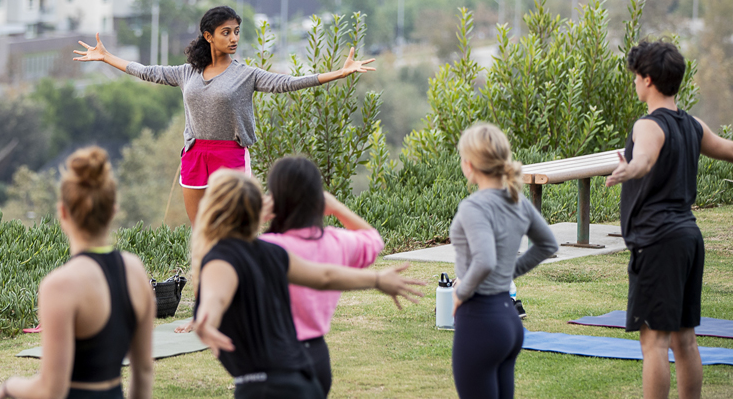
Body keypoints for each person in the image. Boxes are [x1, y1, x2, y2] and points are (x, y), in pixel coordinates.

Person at [604, 41, 733, 398]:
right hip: (687, 238)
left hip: (659, 241)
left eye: (636, 77)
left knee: (654, 342)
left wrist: (628, 169)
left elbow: (646, 160)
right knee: (684, 339)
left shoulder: (648, 126)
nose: (635, 83)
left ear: (647, 79)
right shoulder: (692, 124)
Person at [72, 5, 375, 224]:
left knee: (237, 227)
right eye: (226, 32)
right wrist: (106, 57)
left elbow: (288, 83)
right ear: (208, 36)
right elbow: (148, 71)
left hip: (230, 154)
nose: (233, 38)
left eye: (236, 32)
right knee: (201, 228)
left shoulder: (246, 75)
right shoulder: (187, 72)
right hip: (195, 154)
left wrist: (338, 73)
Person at [189, 169, 425, 399]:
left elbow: (215, 296)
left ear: (209, 210)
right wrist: (377, 279)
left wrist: (207, 319)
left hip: (265, 390)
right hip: (303, 383)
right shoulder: (272, 252)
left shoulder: (222, 259)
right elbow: (325, 277)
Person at [0, 147, 156, 399]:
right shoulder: (135, 270)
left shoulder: (60, 285)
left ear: (62, 212)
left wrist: (9, 386)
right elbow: (144, 371)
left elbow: (51, 391)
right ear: (113, 210)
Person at [449, 123, 559, 399]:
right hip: (508, 321)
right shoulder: (517, 201)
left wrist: (460, 292)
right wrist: (508, 272)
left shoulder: (473, 207)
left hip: (480, 321)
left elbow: (485, 260)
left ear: (470, 164)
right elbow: (548, 245)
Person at [259, 157, 385, 397]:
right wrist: (337, 207)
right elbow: (374, 240)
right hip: (317, 358)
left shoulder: (266, 248)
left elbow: (224, 250)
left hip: (276, 357)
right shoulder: (336, 241)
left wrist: (255, 216)